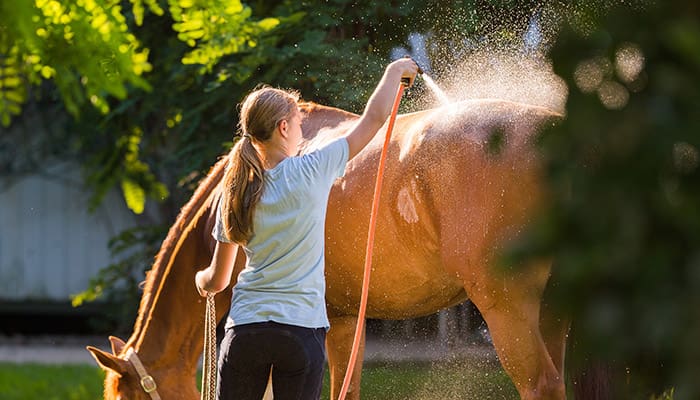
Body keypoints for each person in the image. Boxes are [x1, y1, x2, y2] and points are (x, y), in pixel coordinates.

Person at [194, 57, 418, 400]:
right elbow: (373, 119)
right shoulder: (312, 171)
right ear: (284, 128)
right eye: (299, 123)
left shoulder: (236, 191)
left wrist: (201, 281)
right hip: (301, 332)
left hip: (246, 331)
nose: (302, 131)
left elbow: (218, 280)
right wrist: (393, 72)